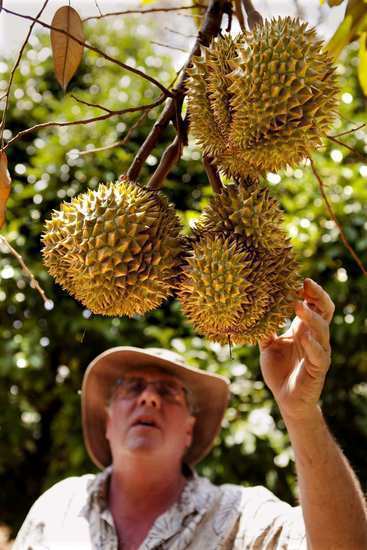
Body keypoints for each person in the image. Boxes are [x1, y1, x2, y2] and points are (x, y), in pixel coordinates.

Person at [13, 278, 367, 549]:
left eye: (169, 392)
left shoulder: (239, 516)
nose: (149, 398)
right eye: (132, 388)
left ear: (189, 430)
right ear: (107, 421)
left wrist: (301, 412)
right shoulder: (57, 507)